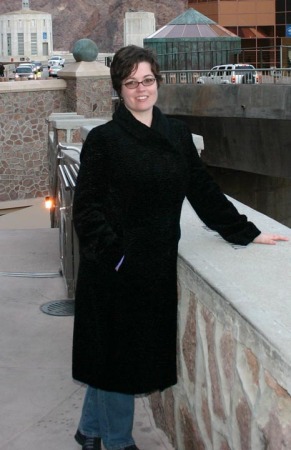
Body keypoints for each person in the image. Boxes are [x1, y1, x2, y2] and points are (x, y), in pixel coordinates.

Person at [72, 45, 288, 450]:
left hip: (154, 266)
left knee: (112, 355)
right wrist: (118, 258)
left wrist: (245, 231)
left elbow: (202, 189)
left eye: (147, 80)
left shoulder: (175, 134)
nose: (141, 90)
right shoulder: (104, 140)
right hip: (114, 270)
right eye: (131, 82)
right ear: (119, 88)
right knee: (119, 361)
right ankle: (116, 441)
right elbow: (86, 212)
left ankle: (89, 430)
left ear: (158, 81)